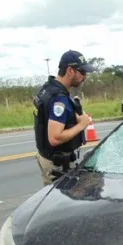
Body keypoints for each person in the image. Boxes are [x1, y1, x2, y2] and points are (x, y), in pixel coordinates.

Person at [32, 50, 96, 185]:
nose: (85, 77)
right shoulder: (58, 99)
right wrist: (81, 125)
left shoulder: (48, 88)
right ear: (70, 70)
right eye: (82, 72)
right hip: (57, 164)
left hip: (48, 157)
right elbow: (55, 138)